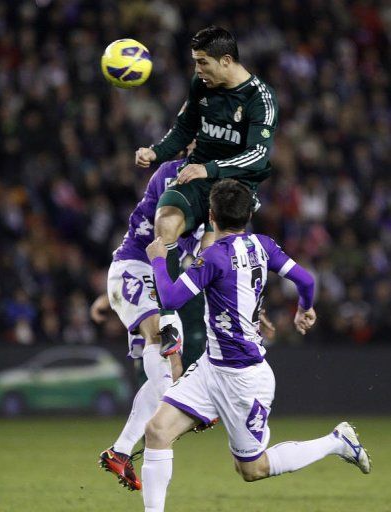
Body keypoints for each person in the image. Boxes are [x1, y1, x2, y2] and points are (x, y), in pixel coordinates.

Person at [141, 180, 371, 512]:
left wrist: (159, 259)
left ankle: (336, 442)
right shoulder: (263, 245)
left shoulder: (213, 257)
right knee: (157, 430)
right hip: (211, 368)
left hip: (244, 380)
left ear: (211, 215)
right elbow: (305, 280)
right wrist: (304, 310)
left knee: (252, 469)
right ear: (249, 215)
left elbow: (172, 297)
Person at [135, 26, 279, 356]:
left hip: (235, 189)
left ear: (226, 60)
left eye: (203, 62)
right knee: (165, 223)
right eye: (195, 62)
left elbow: (258, 155)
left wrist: (210, 169)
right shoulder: (202, 87)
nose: (198, 70)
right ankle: (169, 325)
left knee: (211, 257)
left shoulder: (260, 99)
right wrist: (155, 152)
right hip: (198, 178)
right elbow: (183, 129)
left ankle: (224, 334)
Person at [96, 157, 212, 492]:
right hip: (135, 267)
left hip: (148, 279)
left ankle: (120, 450)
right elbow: (160, 237)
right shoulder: (174, 174)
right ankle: (184, 412)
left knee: (169, 374)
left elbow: (210, 256)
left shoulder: (210, 200)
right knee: (165, 352)